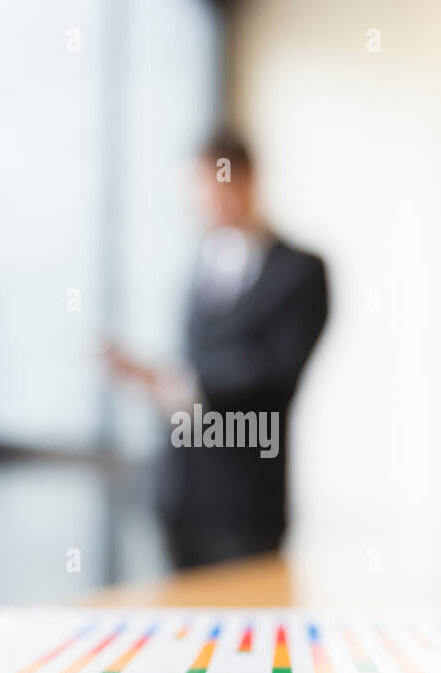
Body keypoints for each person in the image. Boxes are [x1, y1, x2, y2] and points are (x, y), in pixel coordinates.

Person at [106, 131, 328, 569]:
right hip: (180, 494)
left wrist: (173, 380)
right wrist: (158, 385)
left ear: (245, 181)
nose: (201, 202)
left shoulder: (301, 270)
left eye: (211, 186)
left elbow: (277, 375)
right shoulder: (200, 265)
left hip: (247, 501)